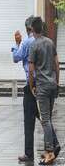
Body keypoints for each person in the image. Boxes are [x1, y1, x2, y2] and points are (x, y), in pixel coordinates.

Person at [29, 17, 60, 165]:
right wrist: (57, 81)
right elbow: (57, 64)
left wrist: (31, 85)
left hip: (41, 86)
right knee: (48, 119)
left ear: (32, 30)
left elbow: (31, 69)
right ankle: (50, 148)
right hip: (53, 85)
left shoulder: (34, 45)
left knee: (45, 120)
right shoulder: (50, 42)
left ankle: (49, 151)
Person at [11, 16, 38, 162]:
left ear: (28, 28)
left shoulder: (27, 41)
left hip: (31, 84)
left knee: (28, 121)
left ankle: (29, 153)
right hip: (43, 84)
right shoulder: (43, 40)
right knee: (43, 116)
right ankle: (54, 143)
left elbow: (16, 57)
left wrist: (16, 43)